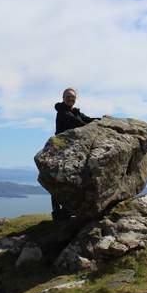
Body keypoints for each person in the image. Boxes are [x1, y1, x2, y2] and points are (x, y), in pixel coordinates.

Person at [51, 88, 101, 221]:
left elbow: (88, 119)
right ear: (63, 98)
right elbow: (77, 123)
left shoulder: (75, 112)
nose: (70, 99)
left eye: (73, 97)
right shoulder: (62, 112)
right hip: (61, 151)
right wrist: (92, 127)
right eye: (68, 97)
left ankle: (67, 211)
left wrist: (102, 120)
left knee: (72, 181)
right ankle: (57, 213)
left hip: (73, 152)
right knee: (58, 181)